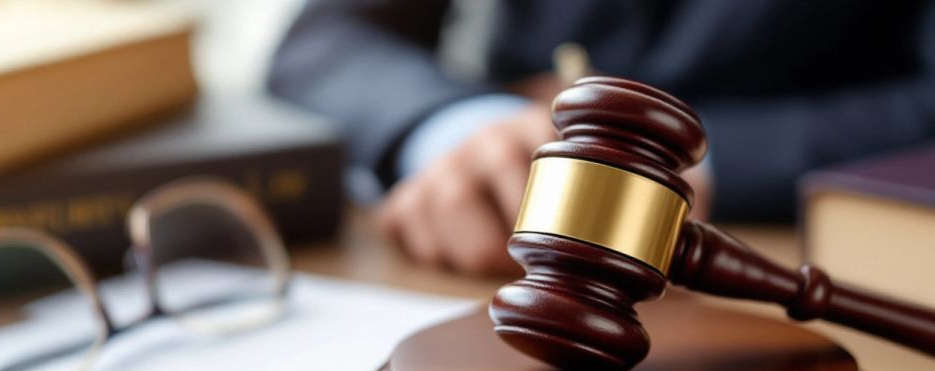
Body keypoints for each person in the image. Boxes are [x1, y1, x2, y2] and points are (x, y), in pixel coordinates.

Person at [268, 0, 935, 275]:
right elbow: (327, 37)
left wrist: (668, 156)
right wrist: (463, 129)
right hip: (490, 239)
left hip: (788, 243)